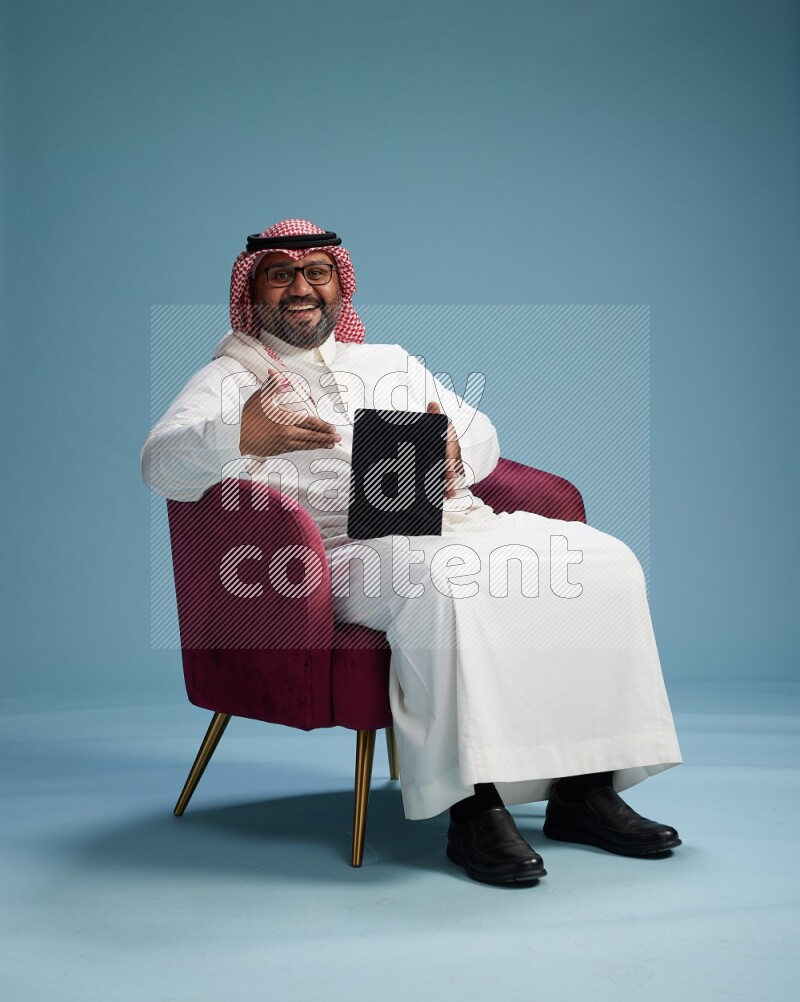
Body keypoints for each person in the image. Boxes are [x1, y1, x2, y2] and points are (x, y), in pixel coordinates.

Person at [142, 218, 683, 886]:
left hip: (449, 521)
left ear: (340, 285)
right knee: (444, 582)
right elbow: (161, 467)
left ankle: (584, 790)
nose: (301, 288)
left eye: (317, 273)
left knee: (602, 562)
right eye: (281, 275)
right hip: (330, 554)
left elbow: (481, 431)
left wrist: (458, 448)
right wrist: (239, 432)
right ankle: (472, 807)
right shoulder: (228, 379)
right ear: (253, 292)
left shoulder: (390, 360)